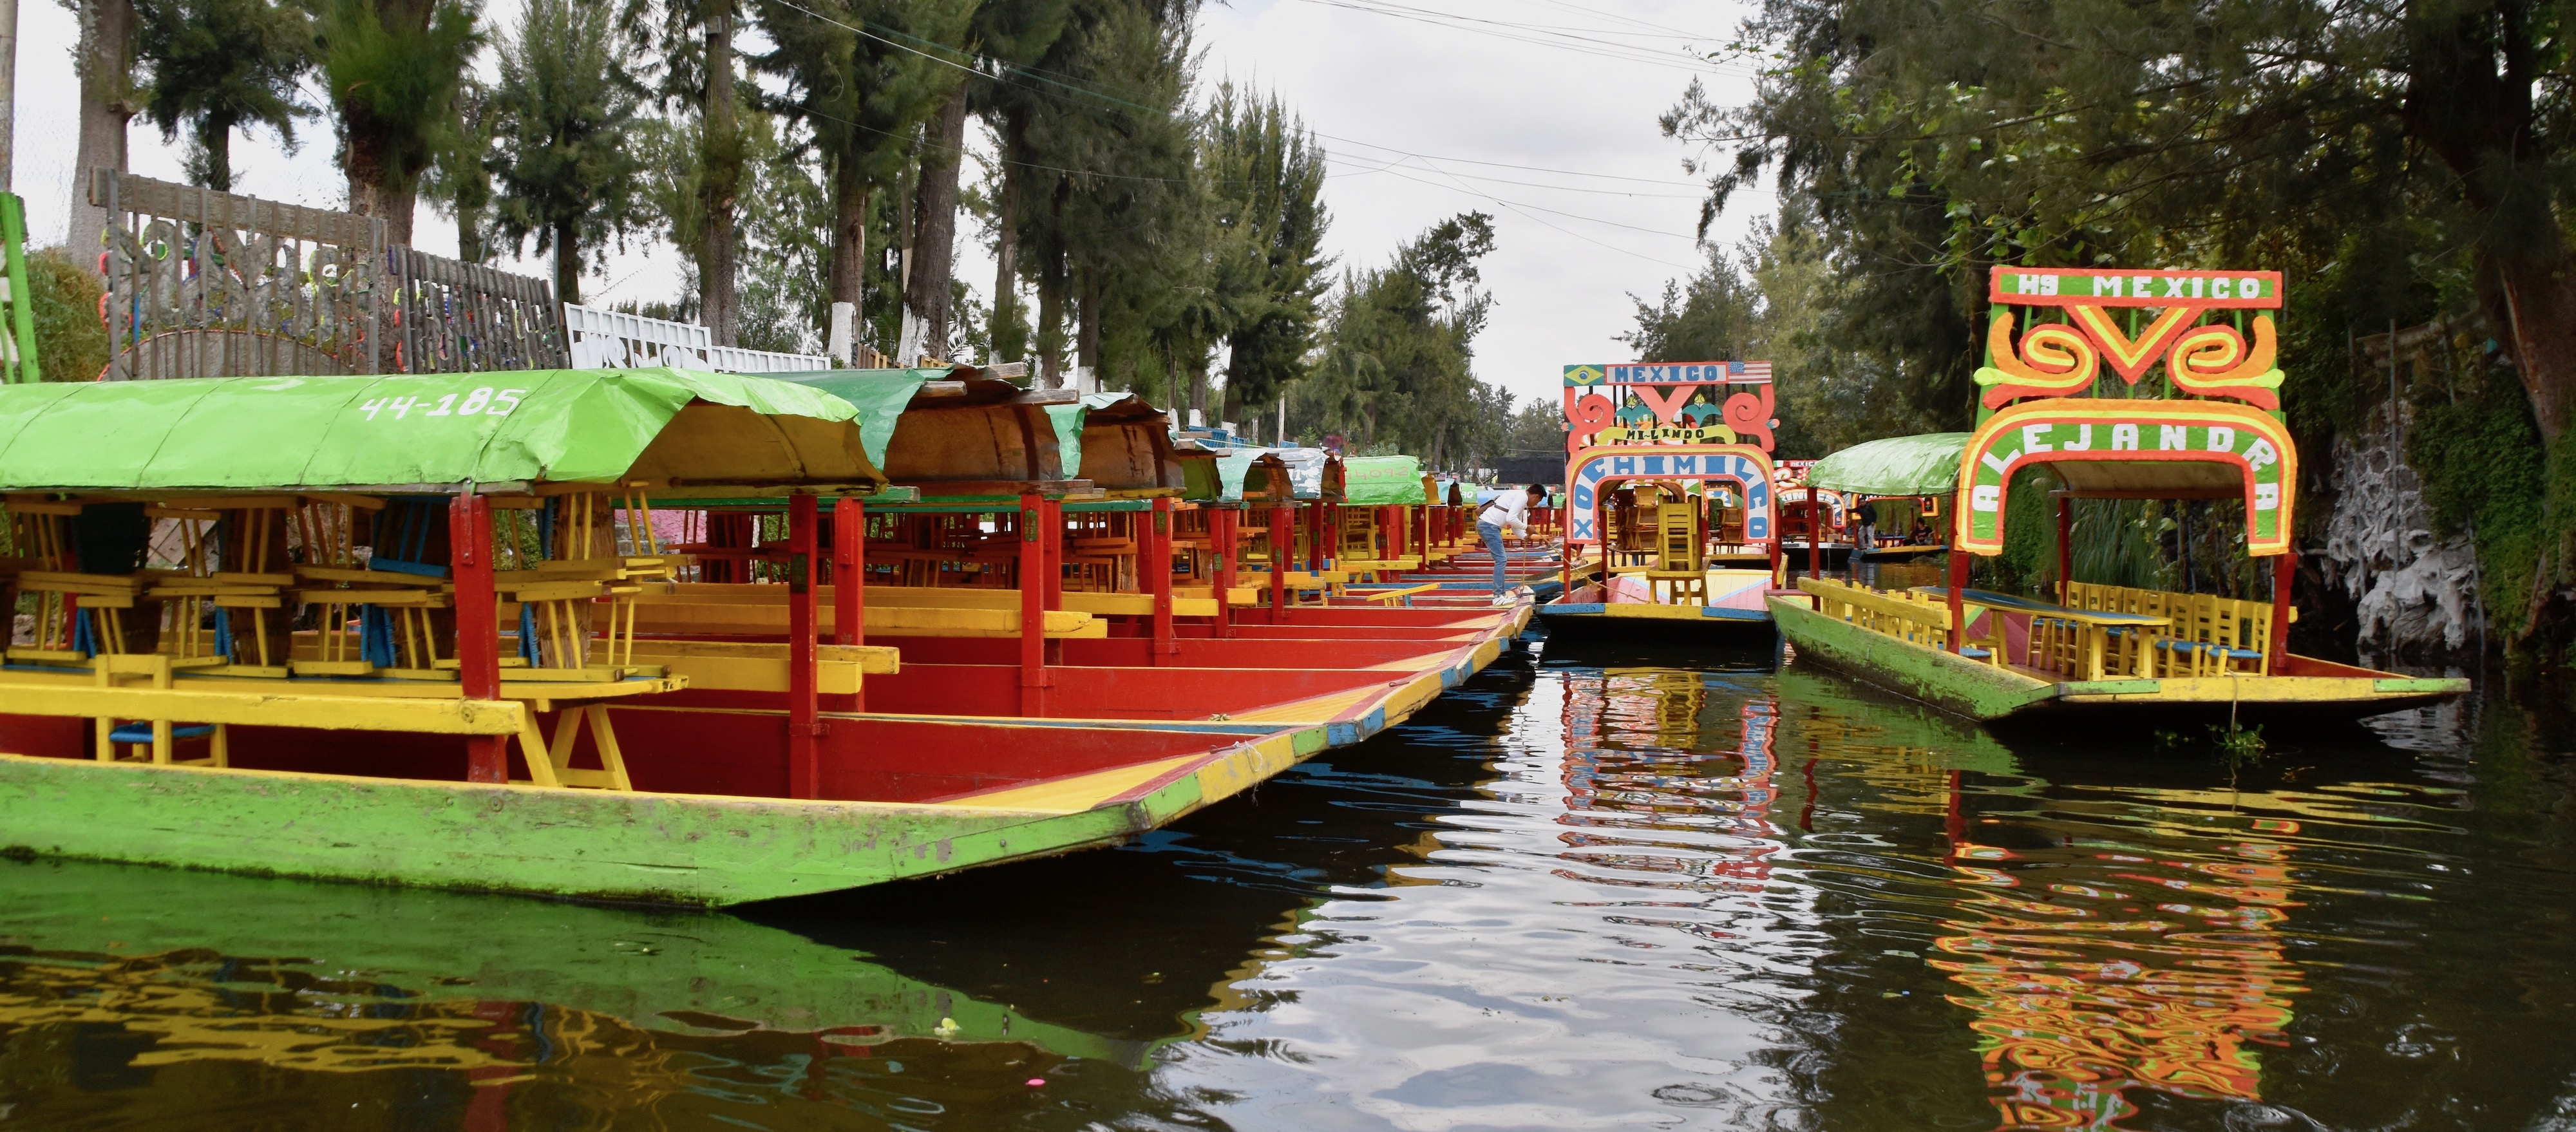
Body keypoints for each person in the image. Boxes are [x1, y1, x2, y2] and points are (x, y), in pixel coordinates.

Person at [1478, 482, 1547, 601]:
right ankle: (1498, 596)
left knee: (1501, 559)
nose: (1535, 504)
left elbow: (1514, 526)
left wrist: (1524, 537)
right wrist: (1527, 528)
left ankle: (1501, 595)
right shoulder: (1522, 497)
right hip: (1489, 526)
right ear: (1536, 496)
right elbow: (1511, 519)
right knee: (1501, 559)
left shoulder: (1519, 498)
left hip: (1488, 526)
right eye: (1537, 501)